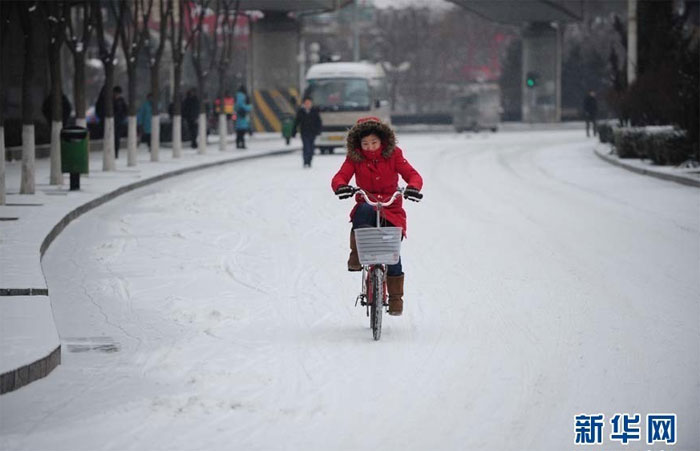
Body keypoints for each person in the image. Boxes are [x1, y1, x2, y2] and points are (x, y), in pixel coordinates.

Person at [331, 116, 423, 316]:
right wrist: (341, 186)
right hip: (368, 203)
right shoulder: (354, 158)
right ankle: (356, 253)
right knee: (362, 210)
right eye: (365, 144)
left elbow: (412, 175)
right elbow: (340, 176)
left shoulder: (394, 155)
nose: (370, 147)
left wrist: (413, 188)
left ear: (382, 140)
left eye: (374, 142)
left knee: (392, 252)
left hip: (391, 207)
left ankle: (396, 298)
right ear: (358, 144)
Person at [293, 96, 322, 168]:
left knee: (311, 147)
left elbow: (318, 122)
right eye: (306, 103)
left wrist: (318, 130)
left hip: (313, 132)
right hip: (304, 132)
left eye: (309, 103)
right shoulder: (301, 111)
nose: (307, 104)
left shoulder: (314, 111)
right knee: (306, 146)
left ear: (311, 104)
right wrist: (294, 131)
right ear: (304, 104)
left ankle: (309, 160)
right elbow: (296, 122)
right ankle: (305, 160)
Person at [112, 86, 128, 158]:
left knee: (117, 138)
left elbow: (125, 110)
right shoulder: (111, 100)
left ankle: (116, 153)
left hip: (118, 122)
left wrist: (122, 117)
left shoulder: (121, 101)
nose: (117, 95)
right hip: (111, 121)